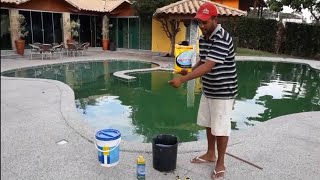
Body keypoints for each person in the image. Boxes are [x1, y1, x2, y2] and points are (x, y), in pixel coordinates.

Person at [168, 2, 238, 180]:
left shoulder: (222, 37)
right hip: (209, 89)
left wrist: (182, 80)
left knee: (220, 128)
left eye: (205, 22)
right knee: (209, 123)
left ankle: (220, 162)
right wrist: (189, 71)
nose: (201, 26)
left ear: (215, 19)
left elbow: (208, 66)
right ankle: (210, 153)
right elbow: (202, 60)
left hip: (224, 91)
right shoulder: (203, 37)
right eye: (199, 22)